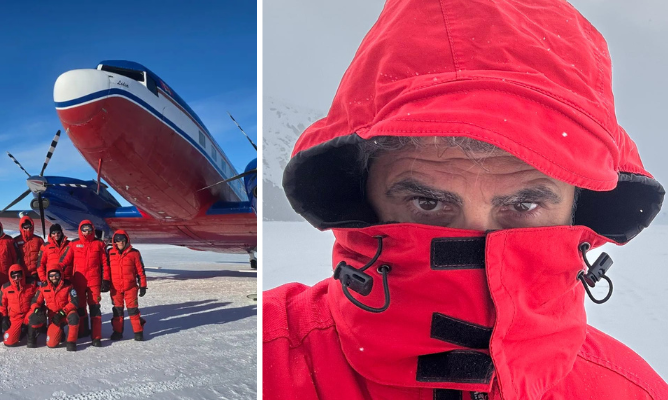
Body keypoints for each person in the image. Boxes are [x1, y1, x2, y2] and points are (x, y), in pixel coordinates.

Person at [263, 0, 668, 398]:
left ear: (580, 209)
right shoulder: (268, 358)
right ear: (361, 200)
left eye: (524, 206)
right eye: (426, 203)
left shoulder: (633, 391)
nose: (477, 237)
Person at [59, 220, 110, 347]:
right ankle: (82, 331)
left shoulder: (99, 244)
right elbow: (64, 261)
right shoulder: (74, 244)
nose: (86, 232)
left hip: (94, 282)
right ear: (80, 230)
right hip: (78, 282)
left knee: (95, 308)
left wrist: (106, 280)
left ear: (93, 230)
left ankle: (96, 337)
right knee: (80, 308)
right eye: (84, 229)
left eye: (89, 229)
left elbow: (105, 263)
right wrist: (56, 274)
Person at [107, 230, 147, 341]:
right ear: (114, 242)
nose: (120, 243)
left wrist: (142, 285)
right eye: (118, 241)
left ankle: (138, 332)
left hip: (131, 288)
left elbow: (140, 270)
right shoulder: (110, 253)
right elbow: (105, 270)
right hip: (115, 288)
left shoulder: (134, 253)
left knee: (133, 311)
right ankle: (117, 332)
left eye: (122, 240)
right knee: (117, 311)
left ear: (126, 240)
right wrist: (104, 282)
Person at [27, 267, 80, 351]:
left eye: (56, 275)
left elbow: (74, 302)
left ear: (60, 275)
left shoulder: (68, 285)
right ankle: (59, 332)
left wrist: (62, 312)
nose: (54, 278)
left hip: (66, 313)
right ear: (48, 276)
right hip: (54, 317)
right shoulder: (44, 287)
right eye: (51, 276)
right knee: (51, 344)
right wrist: (37, 310)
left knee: (74, 317)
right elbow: (34, 301)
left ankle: (71, 342)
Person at [0, 264, 38, 347]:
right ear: (10, 276)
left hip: (29, 314)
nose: (16, 278)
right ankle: (22, 330)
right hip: (15, 317)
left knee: (38, 314)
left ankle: (32, 334)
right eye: (14, 276)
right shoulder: (5, 287)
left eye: (19, 275)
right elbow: (2, 304)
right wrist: (4, 317)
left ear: (22, 275)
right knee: (9, 342)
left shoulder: (31, 284)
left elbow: (38, 299)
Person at [12, 216, 44, 280]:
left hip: (36, 273)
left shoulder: (38, 240)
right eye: (25, 227)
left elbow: (43, 256)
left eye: (29, 226)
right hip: (21, 274)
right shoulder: (15, 240)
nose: (28, 229)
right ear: (21, 227)